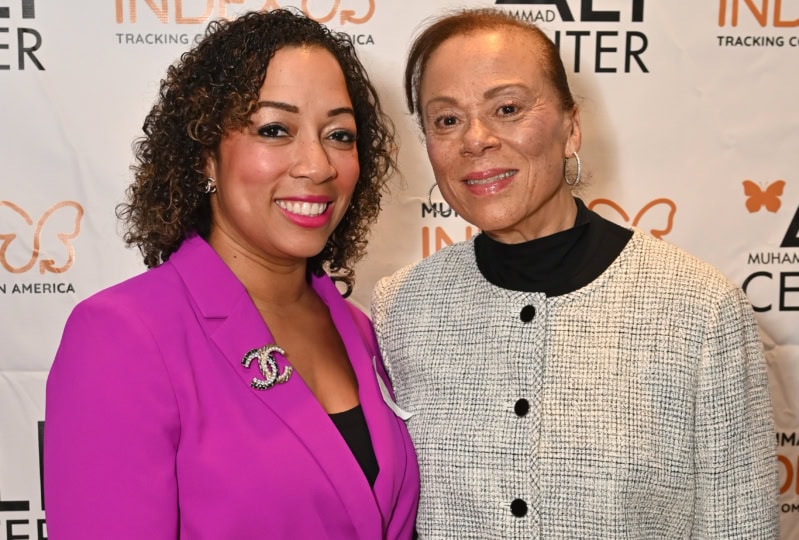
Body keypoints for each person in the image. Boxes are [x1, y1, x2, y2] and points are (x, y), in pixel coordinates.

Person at [371, 8, 777, 539]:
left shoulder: (698, 308)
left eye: (507, 108)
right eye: (446, 119)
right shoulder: (400, 307)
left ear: (571, 127)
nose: (476, 139)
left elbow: (740, 526)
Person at [44, 9, 418, 539]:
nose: (317, 165)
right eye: (274, 129)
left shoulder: (360, 328)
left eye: (339, 134)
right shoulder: (122, 335)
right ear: (205, 158)